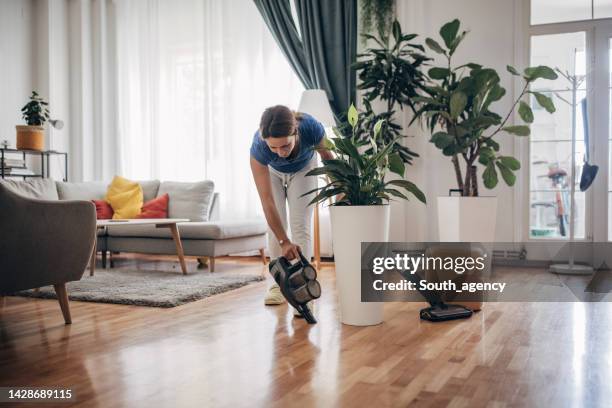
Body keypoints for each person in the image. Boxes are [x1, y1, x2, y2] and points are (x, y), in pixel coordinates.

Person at [250, 105, 334, 312]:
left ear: (295, 131)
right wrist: (284, 241)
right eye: (274, 148)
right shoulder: (259, 146)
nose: (280, 152)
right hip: (273, 173)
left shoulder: (310, 127)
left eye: (285, 146)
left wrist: (342, 192)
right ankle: (279, 285)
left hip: (304, 169)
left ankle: (302, 290)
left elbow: (329, 159)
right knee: (276, 228)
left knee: (300, 226)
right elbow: (267, 201)